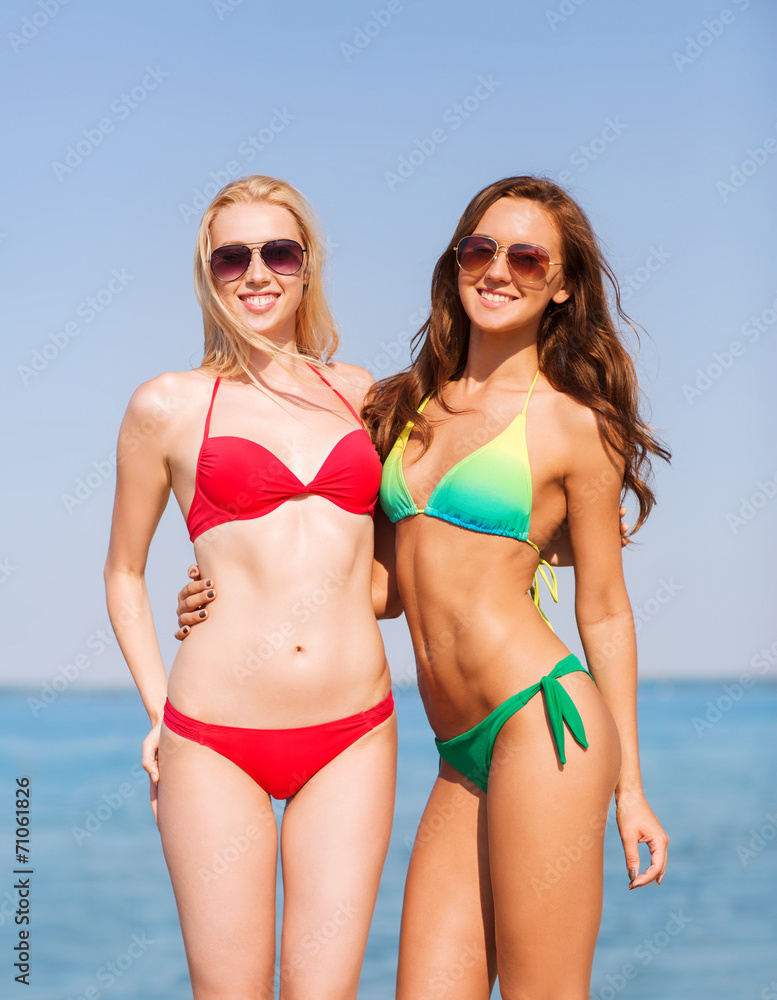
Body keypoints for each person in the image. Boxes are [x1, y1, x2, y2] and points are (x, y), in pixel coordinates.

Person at [175, 175, 666, 999]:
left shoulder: (576, 422)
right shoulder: (403, 408)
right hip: (457, 755)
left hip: (545, 722)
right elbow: (377, 585)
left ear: (562, 284)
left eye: (525, 256)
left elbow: (606, 610)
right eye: (479, 249)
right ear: (454, 263)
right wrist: (230, 588)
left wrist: (629, 788)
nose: (497, 270)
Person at [104, 175, 399, 1000]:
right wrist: (158, 711)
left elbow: (395, 573)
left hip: (354, 733)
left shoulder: (362, 395)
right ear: (208, 272)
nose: (257, 273)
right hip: (212, 739)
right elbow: (123, 570)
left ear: (307, 267)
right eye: (232, 256)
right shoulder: (168, 405)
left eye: (279, 252)